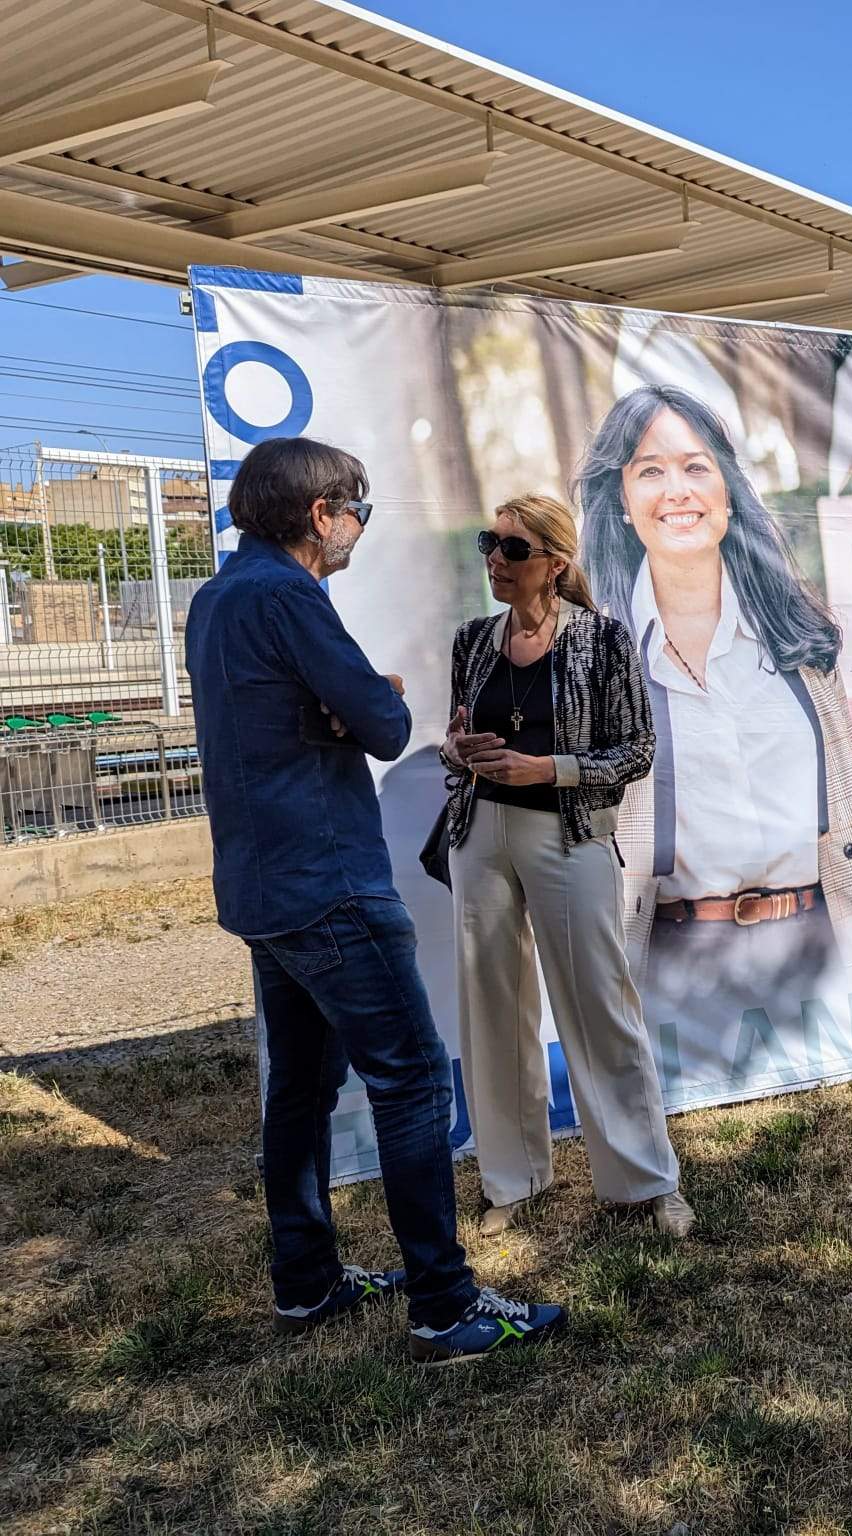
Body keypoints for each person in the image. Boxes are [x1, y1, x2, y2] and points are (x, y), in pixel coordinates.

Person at [185, 436, 564, 1366]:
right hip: (329, 882)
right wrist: (369, 699)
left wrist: (345, 705)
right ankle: (444, 1305)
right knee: (412, 1081)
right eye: (356, 507)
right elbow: (391, 725)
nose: (359, 523)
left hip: (262, 886)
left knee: (303, 1091)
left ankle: (306, 1284)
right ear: (320, 515)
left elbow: (300, 714)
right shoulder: (288, 595)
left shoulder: (216, 597)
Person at [576, 385, 852, 1073]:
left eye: (696, 466)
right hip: (676, 969)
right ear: (623, 503)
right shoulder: (594, 661)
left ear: (728, 491)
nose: (678, 490)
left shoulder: (800, 640)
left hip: (825, 949)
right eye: (650, 470)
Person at [438, 494, 691, 1238]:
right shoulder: (471, 641)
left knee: (598, 1004)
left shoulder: (603, 641)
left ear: (555, 562)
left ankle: (645, 1182)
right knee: (491, 1004)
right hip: (480, 830)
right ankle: (511, 1180)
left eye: (514, 550)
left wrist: (547, 768)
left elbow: (636, 750)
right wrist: (456, 751)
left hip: (570, 834)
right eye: (490, 543)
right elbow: (457, 737)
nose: (496, 560)